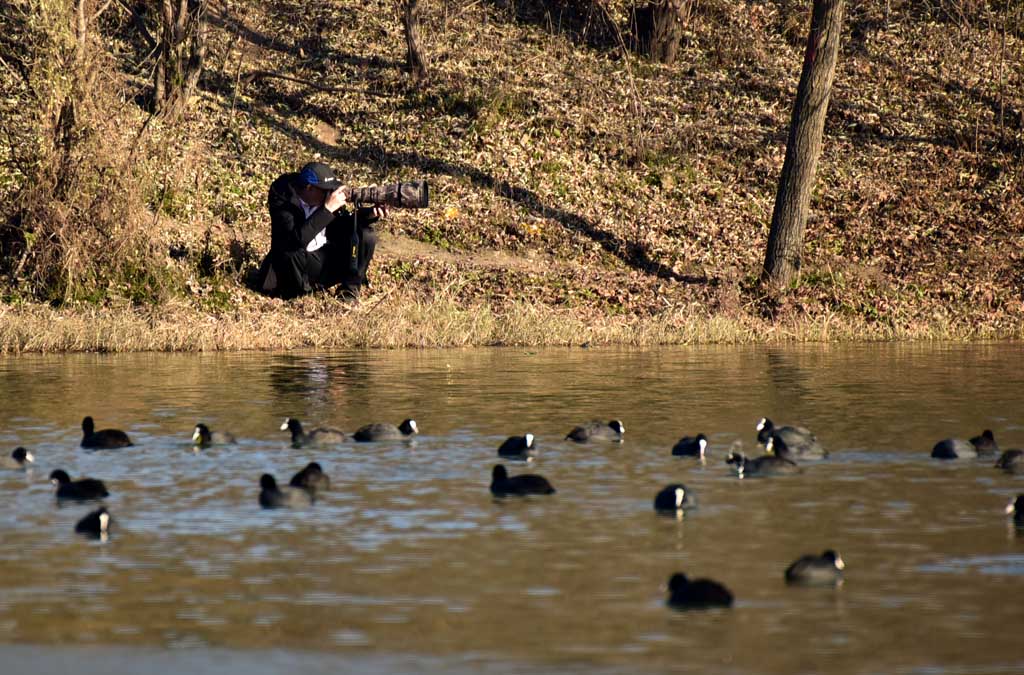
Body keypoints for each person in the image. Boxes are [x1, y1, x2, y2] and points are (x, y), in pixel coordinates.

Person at [254, 161, 385, 299]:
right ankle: (302, 295)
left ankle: (349, 292)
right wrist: (326, 210)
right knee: (291, 250)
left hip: (323, 259)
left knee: (366, 234)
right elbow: (294, 240)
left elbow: (343, 226)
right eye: (325, 190)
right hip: (294, 268)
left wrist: (369, 214)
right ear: (309, 188)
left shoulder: (322, 198)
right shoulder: (283, 196)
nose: (330, 193)